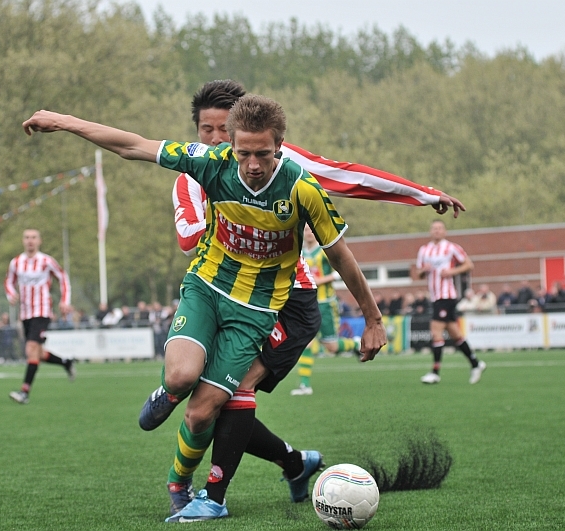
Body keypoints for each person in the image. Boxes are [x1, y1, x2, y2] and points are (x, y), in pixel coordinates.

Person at [23, 94, 388, 522]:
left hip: (255, 312)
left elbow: (340, 255)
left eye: (263, 154)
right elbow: (133, 145)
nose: (253, 164)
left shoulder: (301, 189)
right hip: (207, 288)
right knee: (181, 376)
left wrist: (373, 319)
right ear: (230, 145)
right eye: (244, 153)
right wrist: (65, 120)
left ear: (281, 146)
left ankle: (185, 488)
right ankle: (173, 399)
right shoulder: (210, 162)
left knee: (201, 413)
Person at [143, 80, 465, 519]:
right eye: (208, 131)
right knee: (209, 401)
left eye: (224, 129)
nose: (217, 140)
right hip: (224, 291)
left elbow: (349, 175)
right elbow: (187, 240)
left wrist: (423, 194)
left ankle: (206, 494)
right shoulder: (193, 176)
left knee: (229, 393)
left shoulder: (277, 163)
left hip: (289, 300)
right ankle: (295, 464)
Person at [6, 229, 75, 404]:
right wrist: (11, 294)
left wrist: (64, 301)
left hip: (42, 311)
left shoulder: (46, 261)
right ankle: (65, 362)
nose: (30, 241)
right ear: (23, 241)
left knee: (30, 349)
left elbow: (63, 277)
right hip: (25, 312)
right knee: (37, 353)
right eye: (27, 237)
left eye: (34, 238)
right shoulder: (16, 262)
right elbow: (9, 282)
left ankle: (24, 392)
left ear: (39, 241)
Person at [414, 220, 486, 384]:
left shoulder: (451, 247)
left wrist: (453, 271)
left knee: (436, 330)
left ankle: (435, 372)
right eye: (434, 228)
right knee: (455, 334)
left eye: (440, 228)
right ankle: (476, 363)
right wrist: (423, 272)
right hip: (435, 296)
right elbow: (418, 274)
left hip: (446, 295)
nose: (437, 231)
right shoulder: (424, 250)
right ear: (430, 231)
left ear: (444, 231)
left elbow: (469, 265)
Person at [291, 225, 360, 395]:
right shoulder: (299, 253)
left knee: (332, 347)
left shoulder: (324, 252)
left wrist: (317, 280)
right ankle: (305, 385)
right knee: (306, 343)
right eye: (305, 229)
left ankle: (355, 343)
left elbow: (338, 272)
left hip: (325, 303)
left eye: (311, 230)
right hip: (306, 304)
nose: (308, 233)